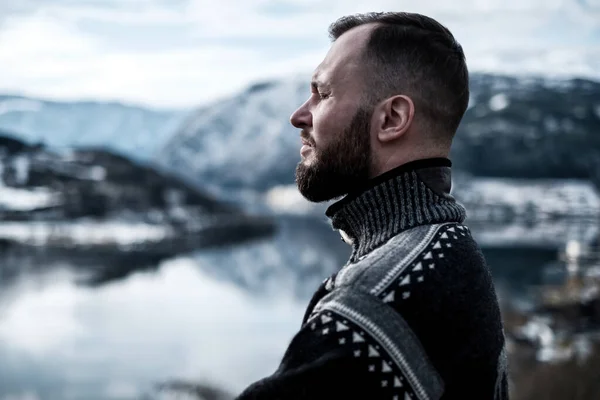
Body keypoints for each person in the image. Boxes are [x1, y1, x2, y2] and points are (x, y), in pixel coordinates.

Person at [236, 11, 508, 400]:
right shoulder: (454, 249)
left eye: (323, 93)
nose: (298, 115)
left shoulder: (367, 307)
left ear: (392, 118)